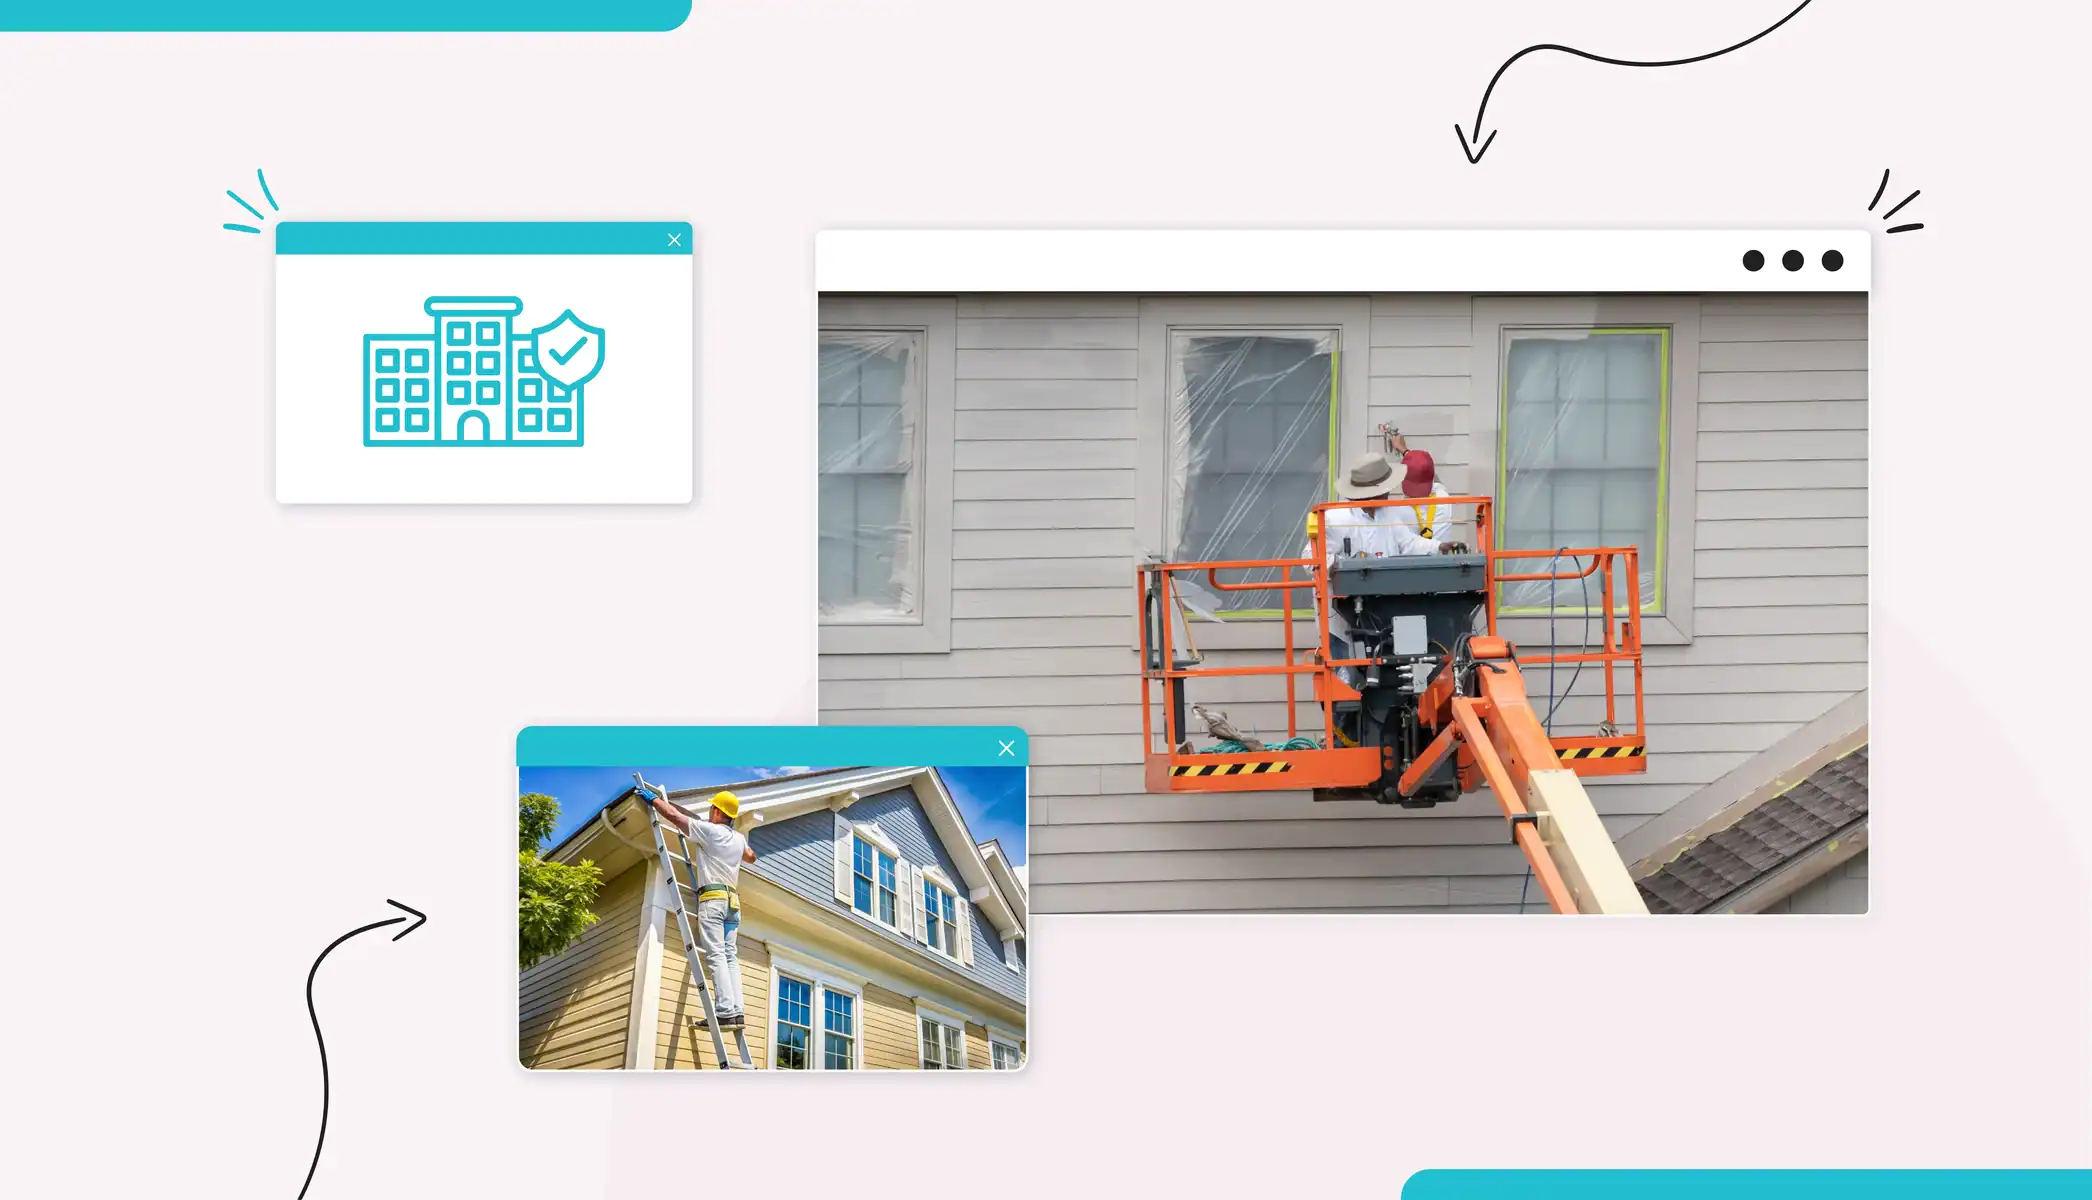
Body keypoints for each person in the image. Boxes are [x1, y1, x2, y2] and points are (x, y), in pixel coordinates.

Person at [1306, 452, 1468, 686]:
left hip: (1381, 611)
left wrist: (1439, 546)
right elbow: (1309, 557)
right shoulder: (1335, 519)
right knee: (1345, 680)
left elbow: (1409, 543)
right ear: (1377, 491)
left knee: (1387, 675)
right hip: (1340, 614)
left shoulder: (1389, 513)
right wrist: (1341, 566)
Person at [643, 787, 757, 1030]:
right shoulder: (739, 839)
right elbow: (751, 856)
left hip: (713, 899)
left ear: (717, 811)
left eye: (711, 808)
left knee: (716, 954)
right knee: (730, 957)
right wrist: (736, 847)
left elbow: (674, 816)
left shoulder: (710, 831)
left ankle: (725, 1012)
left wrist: (652, 799)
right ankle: (737, 1012)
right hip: (733, 903)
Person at [1384, 435, 1453, 545]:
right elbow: (1422, 468)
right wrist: (1405, 451)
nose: (1416, 494)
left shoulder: (1403, 509)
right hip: (1442, 557)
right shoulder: (1443, 497)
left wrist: (1406, 453)